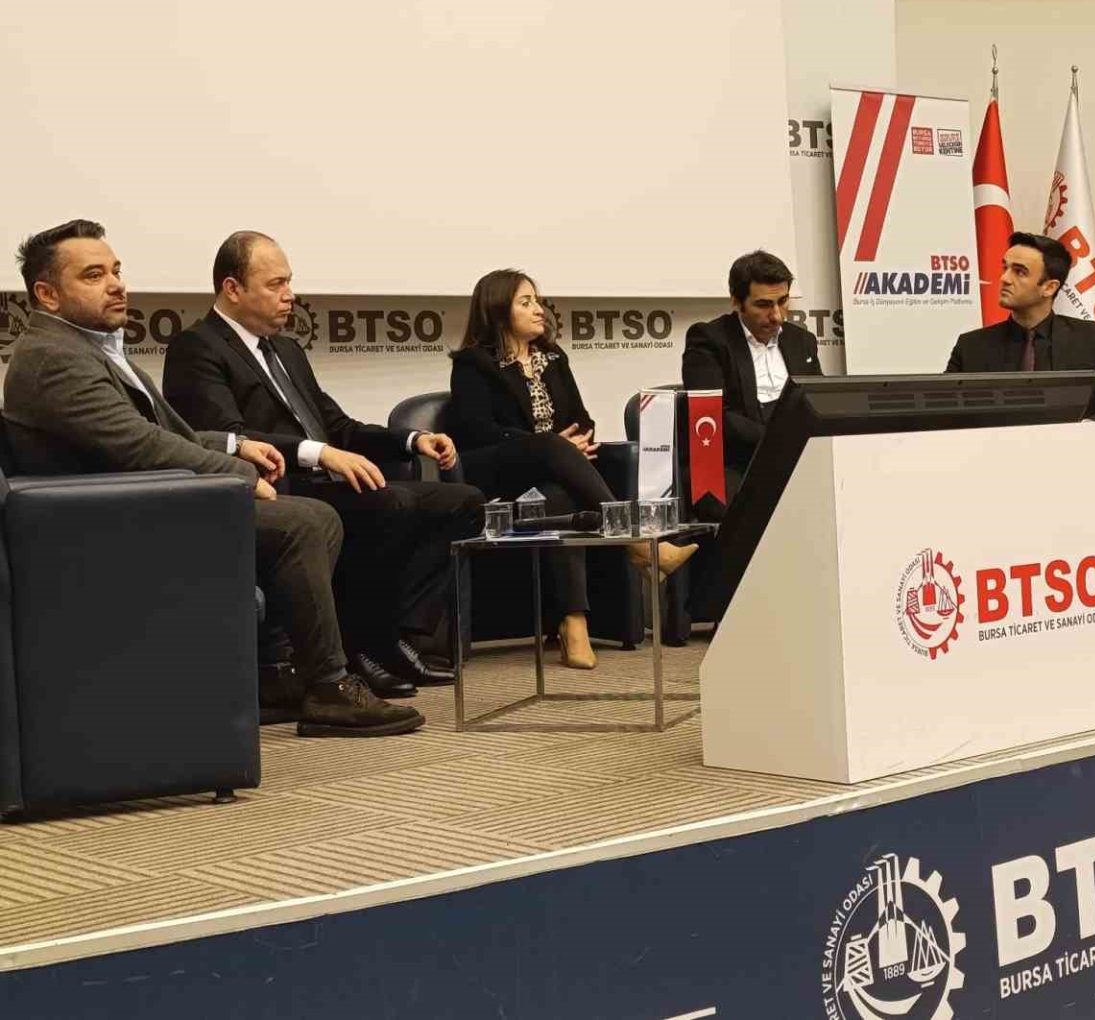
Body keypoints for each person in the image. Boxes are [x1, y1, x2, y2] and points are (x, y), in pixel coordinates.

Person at [2, 219, 422, 736]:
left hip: (140, 501)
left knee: (315, 517)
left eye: (116, 270)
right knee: (304, 522)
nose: (116, 284)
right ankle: (328, 686)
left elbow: (160, 432)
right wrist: (239, 475)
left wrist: (236, 445)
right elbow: (138, 445)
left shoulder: (87, 347)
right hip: (106, 523)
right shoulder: (54, 359)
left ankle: (275, 673)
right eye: (93, 275)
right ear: (46, 294)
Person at [162, 232, 483, 698]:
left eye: (289, 282)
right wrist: (318, 452)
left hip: (326, 483)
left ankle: (396, 635)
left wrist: (413, 440)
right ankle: (361, 646)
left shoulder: (285, 349)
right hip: (280, 489)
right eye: (275, 284)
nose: (289, 295)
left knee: (462, 503)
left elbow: (338, 426)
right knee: (386, 503)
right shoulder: (197, 348)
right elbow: (229, 436)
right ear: (232, 288)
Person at [447, 269, 696, 670]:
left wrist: (569, 443)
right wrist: (549, 446)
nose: (539, 310)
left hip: (551, 479)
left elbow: (582, 419)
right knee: (549, 446)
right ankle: (636, 541)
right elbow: (476, 431)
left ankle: (573, 622)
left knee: (558, 495)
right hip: (496, 474)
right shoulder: (474, 364)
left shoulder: (553, 359)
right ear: (498, 310)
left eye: (537, 300)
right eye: (525, 302)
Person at [945, 233, 1095, 422]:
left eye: (1019, 272)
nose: (1004, 278)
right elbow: (944, 411)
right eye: (1005, 268)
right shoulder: (971, 346)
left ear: (1049, 287)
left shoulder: (1090, 339)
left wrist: (1085, 429)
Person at [681, 250, 822, 503]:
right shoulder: (708, 340)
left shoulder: (802, 341)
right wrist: (774, 441)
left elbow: (817, 401)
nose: (777, 315)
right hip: (733, 460)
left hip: (796, 458)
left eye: (783, 301)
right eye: (764, 305)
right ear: (737, 302)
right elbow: (713, 415)